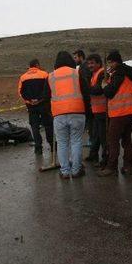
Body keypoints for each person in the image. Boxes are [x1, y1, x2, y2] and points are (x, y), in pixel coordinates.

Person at [45, 51, 89, 179]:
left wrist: (51, 112)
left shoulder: (50, 76)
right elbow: (86, 93)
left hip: (58, 114)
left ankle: (64, 172)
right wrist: (86, 110)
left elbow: (45, 97)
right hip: (77, 112)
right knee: (76, 141)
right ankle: (76, 171)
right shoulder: (77, 73)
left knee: (62, 143)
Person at [97, 50, 132, 177]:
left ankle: (111, 167)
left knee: (113, 141)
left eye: (110, 62)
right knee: (126, 140)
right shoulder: (129, 73)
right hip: (131, 112)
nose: (109, 65)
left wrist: (104, 85)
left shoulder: (118, 73)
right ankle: (127, 167)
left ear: (115, 62)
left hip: (119, 114)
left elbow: (110, 92)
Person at [18, 59, 54, 155]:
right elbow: (49, 89)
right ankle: (52, 146)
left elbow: (20, 92)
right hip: (44, 104)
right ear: (37, 65)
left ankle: (38, 148)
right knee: (48, 125)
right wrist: (40, 99)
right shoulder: (45, 74)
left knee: (34, 126)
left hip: (31, 106)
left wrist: (29, 101)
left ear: (30, 66)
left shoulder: (23, 77)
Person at [85, 54, 108, 166]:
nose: (90, 65)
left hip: (103, 110)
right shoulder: (94, 74)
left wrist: (87, 89)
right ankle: (93, 155)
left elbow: (99, 89)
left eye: (92, 63)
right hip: (96, 111)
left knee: (103, 137)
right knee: (95, 135)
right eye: (89, 63)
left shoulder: (102, 73)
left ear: (99, 63)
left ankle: (105, 160)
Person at [73, 49, 92, 146]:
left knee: (89, 119)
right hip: (88, 97)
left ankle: (91, 139)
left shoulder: (84, 68)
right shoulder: (83, 67)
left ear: (81, 57)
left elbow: (85, 84)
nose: (75, 59)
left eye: (76, 57)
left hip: (87, 98)